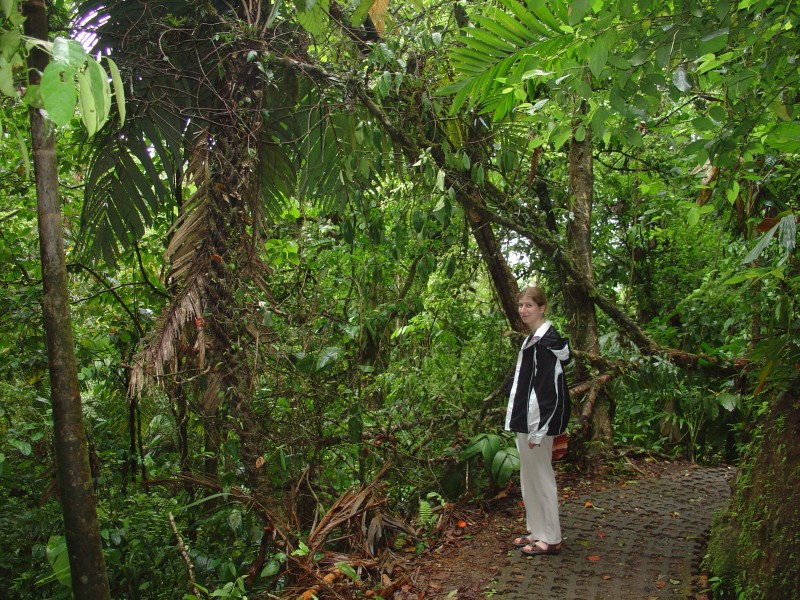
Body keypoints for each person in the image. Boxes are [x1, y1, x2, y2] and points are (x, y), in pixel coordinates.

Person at [504, 286, 571, 556]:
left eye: (529, 305)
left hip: (538, 423)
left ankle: (551, 538)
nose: (523, 310)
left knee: (542, 478)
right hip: (526, 420)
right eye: (521, 305)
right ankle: (537, 530)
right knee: (529, 477)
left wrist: (537, 430)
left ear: (542, 308)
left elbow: (546, 390)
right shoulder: (532, 339)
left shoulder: (546, 343)